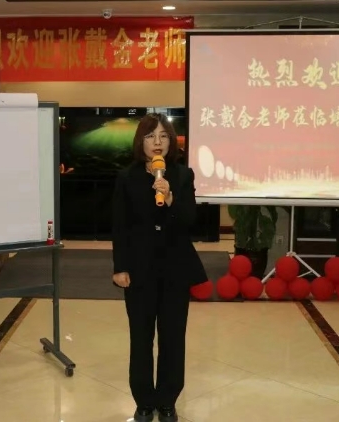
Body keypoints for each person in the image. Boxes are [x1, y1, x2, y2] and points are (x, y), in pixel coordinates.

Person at [111, 113, 208, 422]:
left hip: (175, 267)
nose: (157, 142)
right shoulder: (126, 177)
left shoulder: (182, 175)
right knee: (141, 338)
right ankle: (143, 401)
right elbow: (120, 226)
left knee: (173, 337)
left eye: (163, 136)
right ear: (141, 142)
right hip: (138, 268)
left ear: (171, 141)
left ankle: (167, 400)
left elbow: (190, 220)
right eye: (150, 136)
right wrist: (119, 266)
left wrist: (170, 198)